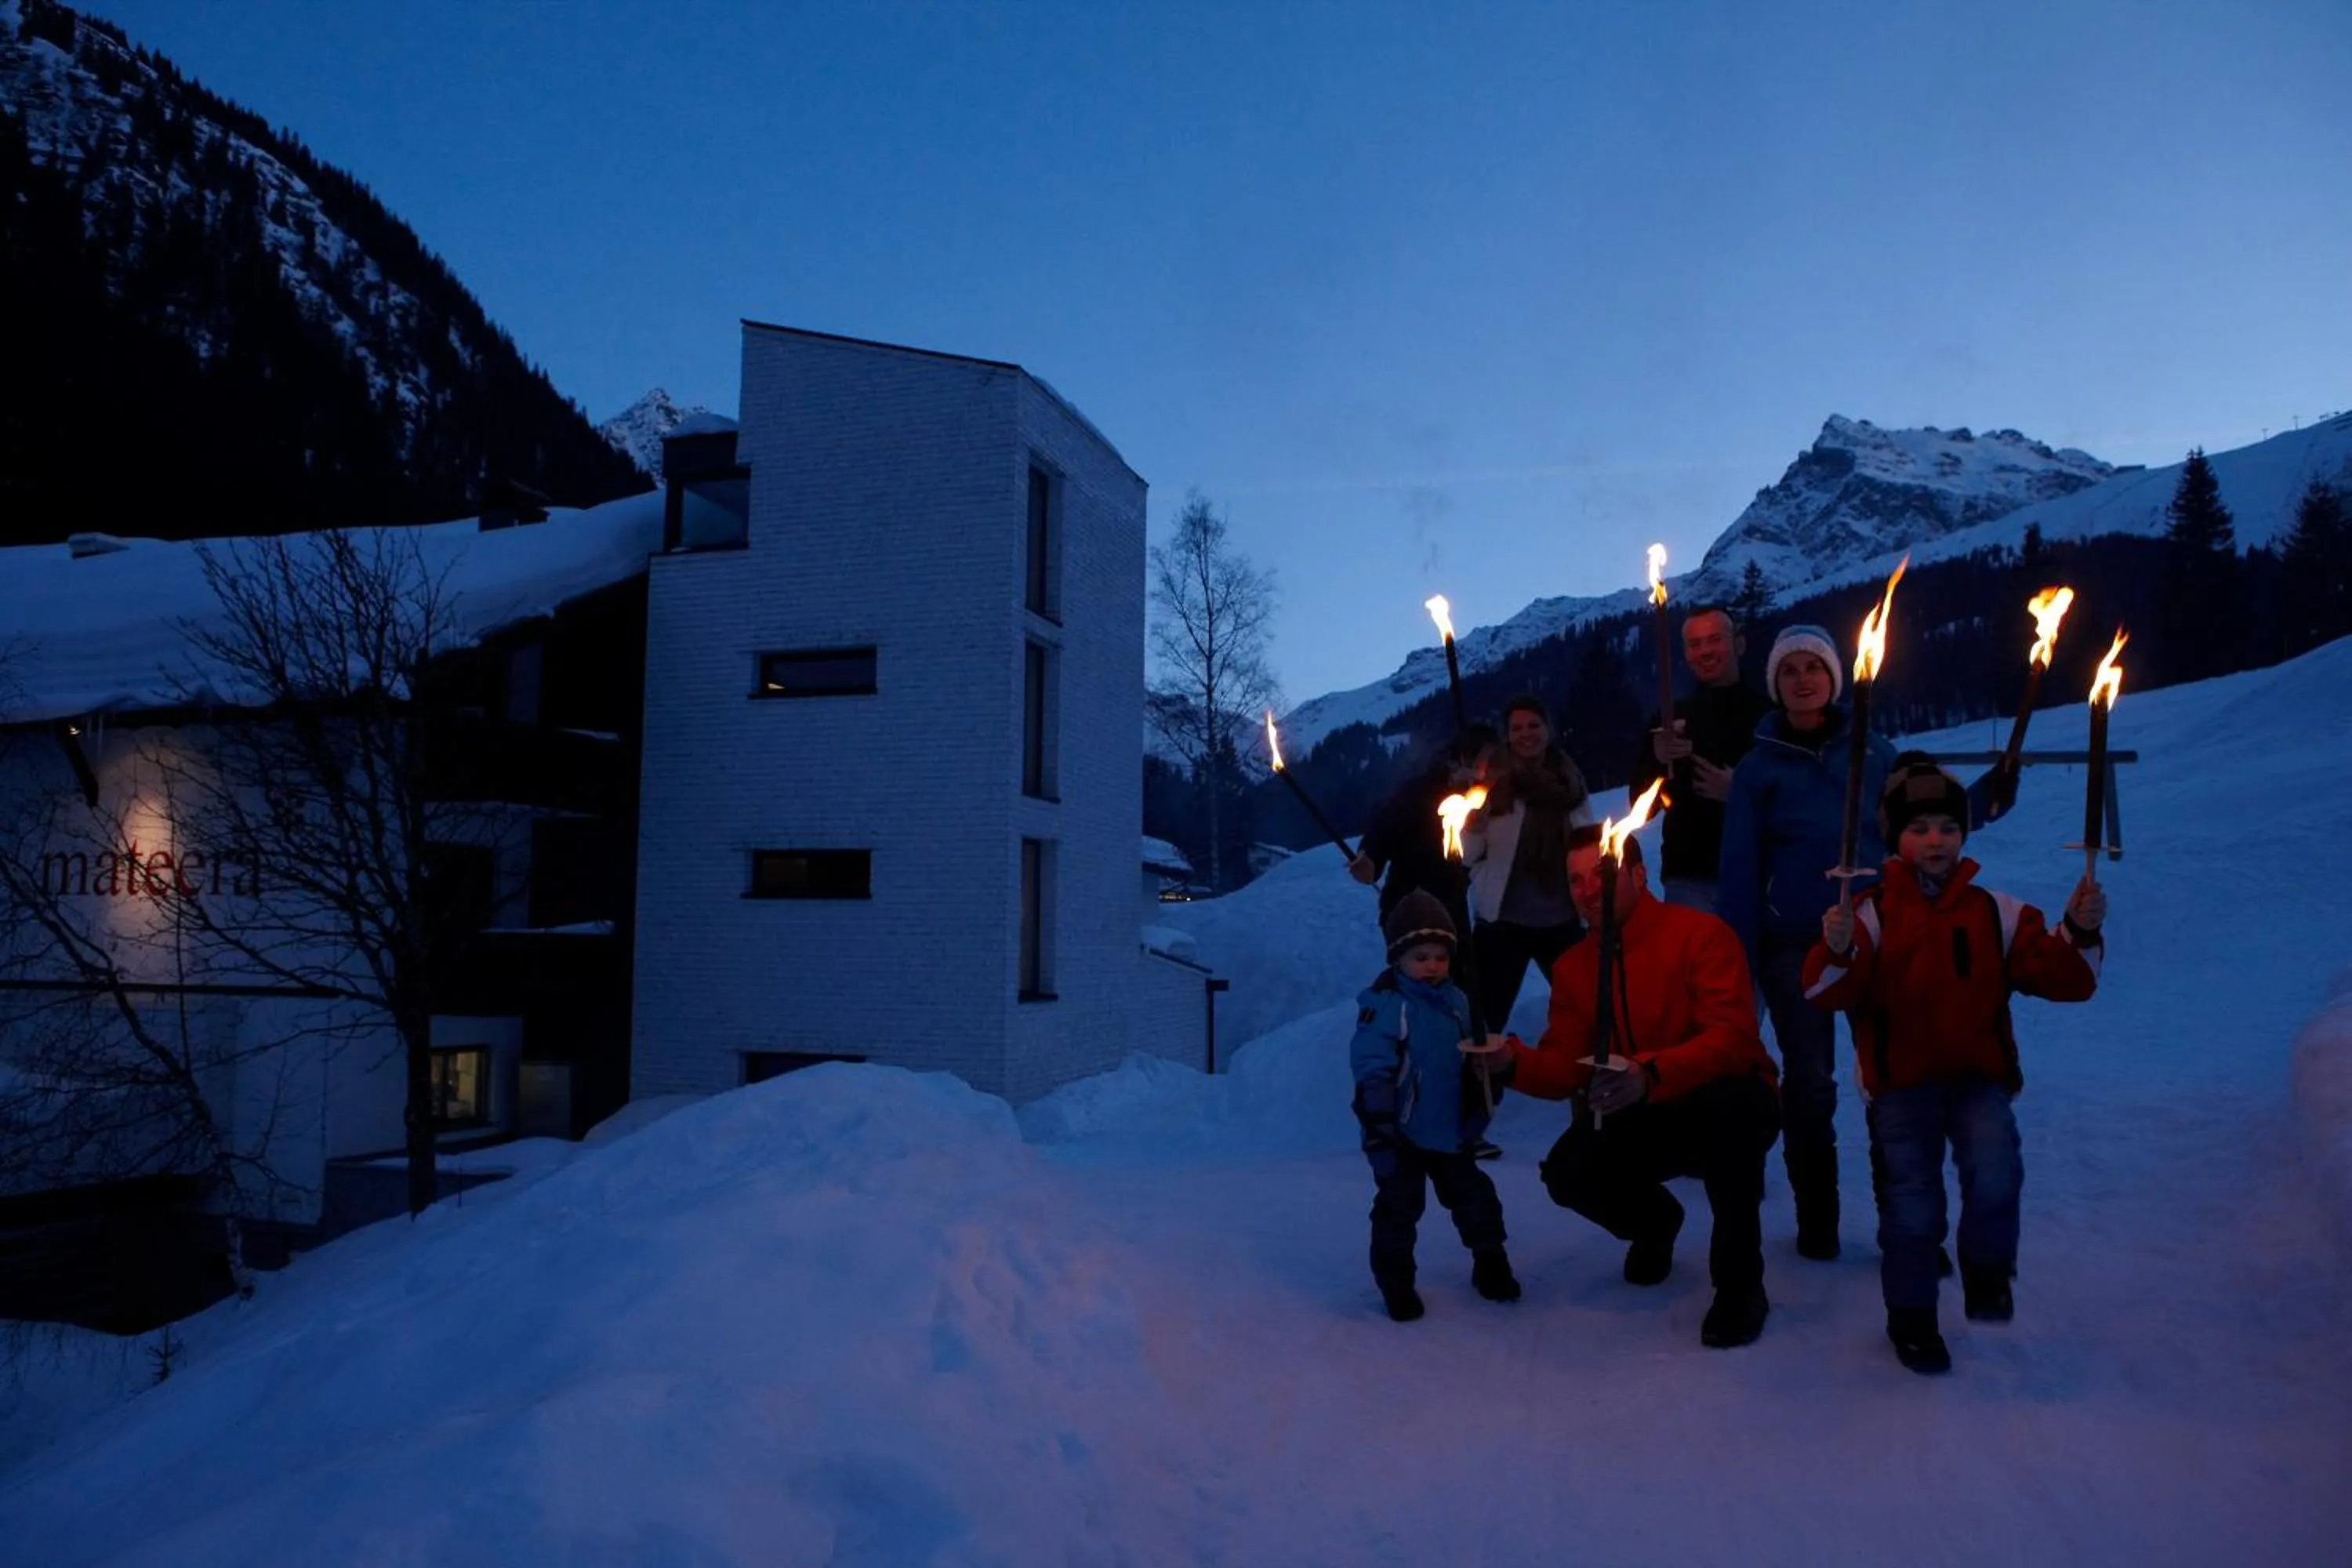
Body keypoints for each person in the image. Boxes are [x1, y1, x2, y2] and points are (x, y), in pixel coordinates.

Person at [1802, 755, 2107, 1374]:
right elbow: (1825, 991)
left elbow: (2068, 978)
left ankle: (1987, 1270)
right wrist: (1834, 950)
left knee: (1997, 1173)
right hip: (1901, 1087)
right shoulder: (1870, 911)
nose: (1934, 840)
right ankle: (1912, 1318)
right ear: (1895, 839)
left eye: (1946, 826)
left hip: (1977, 1081)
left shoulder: (1996, 910)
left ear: (1963, 833)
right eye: (1918, 829)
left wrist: (2079, 928)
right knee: (1914, 1210)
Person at [1475, 827, 1782, 1348]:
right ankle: (1656, 1223)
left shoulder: (1701, 936)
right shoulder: (1575, 967)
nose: (1587, 890)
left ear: (1639, 875)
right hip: (1645, 1108)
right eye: (1575, 881)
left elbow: (1732, 1040)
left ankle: (1739, 1287)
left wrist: (1650, 1072)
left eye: (1601, 874)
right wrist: (1511, 1063)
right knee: (1570, 1171)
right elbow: (1566, 1067)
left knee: (1733, 1116)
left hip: (1721, 1098)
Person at [1715, 624, 1893, 1261]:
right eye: (1788, 671)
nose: (1802, 679)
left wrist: (1988, 798)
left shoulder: (1873, 752)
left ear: (1834, 678)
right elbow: (1738, 864)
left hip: (1875, 935)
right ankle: (1818, 1221)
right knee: (1811, 1081)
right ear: (1775, 685)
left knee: (1889, 1078)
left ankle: (1906, 1222)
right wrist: (1736, 952)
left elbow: (1925, 822)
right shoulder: (1759, 768)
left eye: (1812, 668)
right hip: (1793, 940)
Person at [1348, 890, 1519, 1323]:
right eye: (1421, 956)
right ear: (1398, 959)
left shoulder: (1459, 1002)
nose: (1432, 966)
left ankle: (1490, 1262)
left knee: (1474, 1198)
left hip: (1450, 1127)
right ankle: (1396, 1283)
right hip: (1403, 1133)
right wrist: (1380, 1123)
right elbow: (1373, 1065)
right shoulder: (1388, 1006)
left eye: (1441, 957)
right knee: (1398, 1210)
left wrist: (1484, 1084)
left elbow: (1470, 1057)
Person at [1462, 695, 1595, 1034]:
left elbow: (1587, 842)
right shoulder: (1488, 782)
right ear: (1507, 735)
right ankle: (1480, 1085)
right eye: (1517, 728)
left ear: (1548, 729)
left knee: (1590, 1013)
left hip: (1563, 919)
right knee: (1484, 1022)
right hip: (1502, 923)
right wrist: (1472, 828)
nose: (1526, 734)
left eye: (1534, 725)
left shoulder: (1569, 779)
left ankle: (1592, 1083)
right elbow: (1466, 855)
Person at [1631, 604, 1774, 913]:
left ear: (1739, 644)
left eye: (1715, 639)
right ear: (1685, 654)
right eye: (1695, 644)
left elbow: (1794, 798)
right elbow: (1640, 807)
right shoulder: (1670, 719)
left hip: (1758, 873)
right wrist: (1656, 760)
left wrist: (1739, 793)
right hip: (1689, 878)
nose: (1705, 651)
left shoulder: (1769, 715)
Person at [1348, 723, 1497, 940]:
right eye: (1485, 761)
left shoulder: (1488, 797)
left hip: (1455, 905)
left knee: (1460, 971)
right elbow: (1383, 828)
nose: (1489, 769)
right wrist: (1369, 858)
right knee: (1419, 968)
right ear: (1460, 760)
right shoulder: (1421, 791)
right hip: (1410, 905)